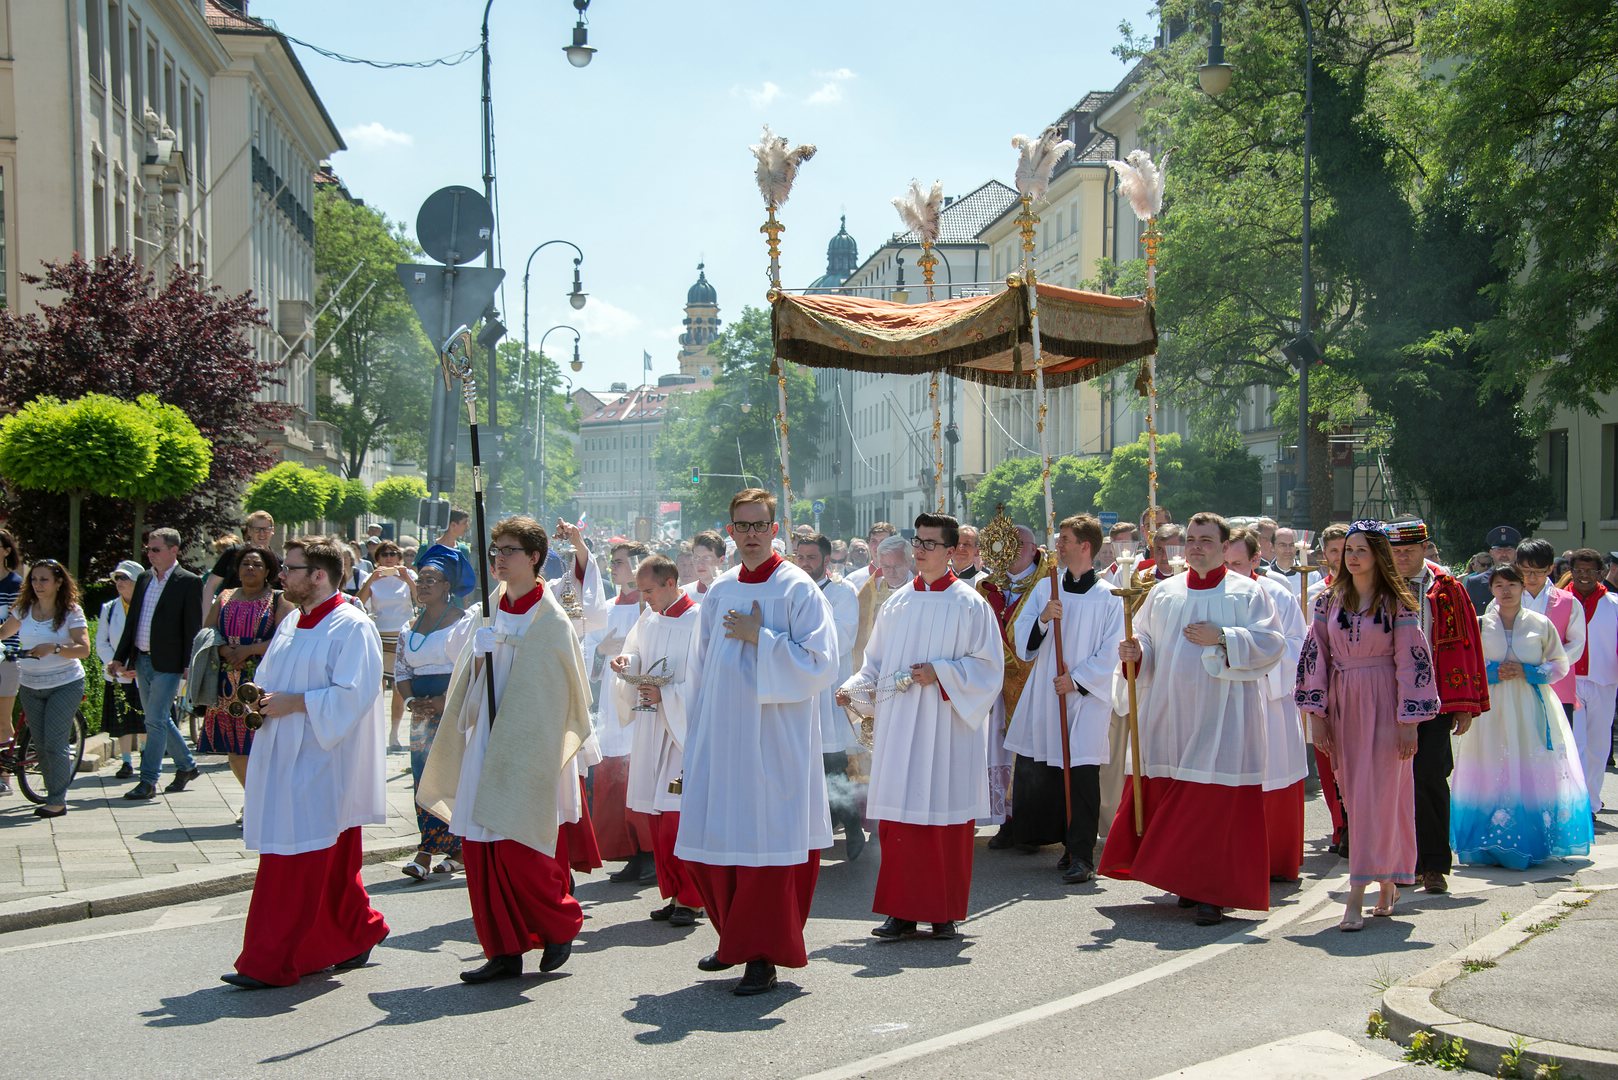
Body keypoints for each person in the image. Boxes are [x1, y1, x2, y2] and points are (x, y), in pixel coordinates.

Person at [676, 488, 839, 996]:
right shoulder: (720, 590)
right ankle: (734, 939)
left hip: (775, 742)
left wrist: (760, 637)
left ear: (775, 529)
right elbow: (699, 669)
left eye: (759, 525)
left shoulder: (797, 589)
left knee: (766, 844)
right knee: (723, 837)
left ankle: (762, 956)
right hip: (723, 737)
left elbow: (821, 663)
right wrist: (695, 737)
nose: (750, 535)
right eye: (741, 526)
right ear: (731, 532)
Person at [417, 517, 593, 983]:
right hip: (486, 739)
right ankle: (502, 949)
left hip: (528, 741)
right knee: (480, 848)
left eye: (510, 550)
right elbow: (467, 677)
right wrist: (479, 654)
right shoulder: (489, 609)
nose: (499, 557)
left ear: (534, 558)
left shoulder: (551, 620)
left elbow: (563, 690)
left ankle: (560, 924)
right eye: (496, 549)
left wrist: (509, 651)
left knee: (519, 845)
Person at [1100, 512, 1286, 927]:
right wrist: (1136, 652)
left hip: (1225, 715)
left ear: (1224, 547)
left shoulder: (1246, 593)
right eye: (1193, 539)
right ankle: (1185, 881)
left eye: (1207, 539)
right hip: (1169, 713)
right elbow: (1146, 637)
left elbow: (1272, 644)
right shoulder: (1164, 593)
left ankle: (1210, 893)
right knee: (1174, 797)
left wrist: (1222, 637)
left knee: (1212, 805)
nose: (1198, 546)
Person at [223, 536, 389, 989]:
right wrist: (257, 698)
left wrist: (298, 703)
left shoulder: (352, 626)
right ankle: (357, 931)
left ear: (318, 575)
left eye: (290, 568)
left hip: (322, 757)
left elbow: (355, 695)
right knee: (321, 858)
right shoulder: (293, 620)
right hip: (280, 750)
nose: (281, 575)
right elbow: (270, 677)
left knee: (296, 858)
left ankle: (270, 960)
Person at [836, 512, 1001, 941]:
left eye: (931, 543)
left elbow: (988, 671)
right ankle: (900, 911)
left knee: (943, 820)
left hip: (947, 730)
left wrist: (942, 673)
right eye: (918, 541)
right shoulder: (898, 602)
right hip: (901, 728)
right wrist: (854, 689)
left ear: (951, 551)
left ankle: (942, 912)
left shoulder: (970, 604)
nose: (922, 549)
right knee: (900, 822)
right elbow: (874, 663)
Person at [1295, 521, 1438, 930]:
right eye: (1348, 549)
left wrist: (1410, 721)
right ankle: (1387, 878)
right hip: (1343, 704)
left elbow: (1413, 660)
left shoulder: (1399, 603)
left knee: (1384, 795)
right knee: (1356, 799)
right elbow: (1314, 657)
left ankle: (1356, 893)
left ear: (1378, 554)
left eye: (1361, 549)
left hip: (1386, 704)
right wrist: (1316, 716)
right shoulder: (1327, 601)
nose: (1352, 556)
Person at [1004, 514, 1125, 883]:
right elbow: (1021, 638)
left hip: (1086, 698)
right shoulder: (1047, 589)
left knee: (1084, 773)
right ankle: (1066, 843)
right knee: (1053, 771)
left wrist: (1076, 681)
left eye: (1066, 539)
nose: (1059, 544)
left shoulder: (1108, 596)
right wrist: (1043, 619)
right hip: (1048, 690)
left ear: (1085, 547)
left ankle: (1083, 855)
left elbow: (1112, 650)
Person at [1451, 564, 1592, 867]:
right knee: (1490, 765)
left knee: (1530, 765)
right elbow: (1466, 663)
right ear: (1491, 590)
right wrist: (1491, 672)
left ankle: (1533, 838)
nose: (1507, 591)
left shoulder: (1540, 624)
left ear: (1522, 588)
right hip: (1491, 706)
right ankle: (1487, 840)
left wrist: (1530, 672)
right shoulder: (1478, 624)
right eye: (1499, 585)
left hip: (1531, 702)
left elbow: (1560, 663)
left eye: (1512, 585)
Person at [1385, 519, 1490, 893]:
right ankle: (1398, 861)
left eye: (1409, 551)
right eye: (1395, 552)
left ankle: (1433, 864)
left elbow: (1467, 646)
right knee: (1389, 782)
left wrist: (1465, 704)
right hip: (1385, 698)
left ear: (1425, 547)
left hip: (1434, 701)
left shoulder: (1448, 589)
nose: (1401, 558)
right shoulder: (1376, 584)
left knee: (1429, 776)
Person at [612, 554, 705, 925]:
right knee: (655, 817)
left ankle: (692, 899)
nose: (643, 597)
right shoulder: (649, 618)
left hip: (682, 732)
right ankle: (675, 894)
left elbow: (705, 678)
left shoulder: (698, 620)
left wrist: (667, 695)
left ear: (670, 583)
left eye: (648, 590)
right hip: (653, 727)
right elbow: (637, 653)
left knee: (674, 818)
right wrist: (626, 664)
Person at [1225, 527, 1308, 882]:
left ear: (1257, 559)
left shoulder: (1277, 592)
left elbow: (1296, 646)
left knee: (1271, 776)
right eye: (1225, 563)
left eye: (1238, 564)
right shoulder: (1218, 593)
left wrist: (1253, 664)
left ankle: (1274, 860)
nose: (1230, 571)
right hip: (1226, 697)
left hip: (1268, 697)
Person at [395, 558, 476, 880]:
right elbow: (402, 671)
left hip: (454, 708)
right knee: (423, 778)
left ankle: (425, 853)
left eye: (432, 580)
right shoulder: (408, 627)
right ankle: (455, 851)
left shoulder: (463, 622)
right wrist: (413, 701)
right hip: (422, 713)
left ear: (447, 587)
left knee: (452, 777)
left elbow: (470, 668)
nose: (423, 585)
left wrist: (445, 701)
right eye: (421, 579)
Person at [110, 528, 203, 801]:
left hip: (169, 663)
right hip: (142, 659)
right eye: (148, 549)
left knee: (154, 720)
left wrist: (189, 664)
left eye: (156, 549)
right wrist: (121, 656)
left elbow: (192, 627)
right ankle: (187, 765)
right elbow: (133, 621)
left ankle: (148, 780)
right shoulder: (144, 579)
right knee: (158, 719)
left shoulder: (188, 582)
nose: (150, 554)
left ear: (174, 550)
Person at [198, 547, 295, 798]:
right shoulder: (225, 597)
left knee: (261, 744)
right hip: (227, 684)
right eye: (245, 564)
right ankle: (252, 799)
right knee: (235, 747)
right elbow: (208, 631)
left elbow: (284, 639)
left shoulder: (278, 599)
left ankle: (267, 798)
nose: (250, 569)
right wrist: (222, 650)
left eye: (257, 565)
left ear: (268, 572)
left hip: (261, 681)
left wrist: (248, 649)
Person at [0, 559, 90, 817]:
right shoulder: (23, 609)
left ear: (59, 582)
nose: (37, 584)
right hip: (29, 683)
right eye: (34, 579)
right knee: (40, 744)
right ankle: (52, 793)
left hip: (65, 683)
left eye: (44, 579)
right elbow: (4, 632)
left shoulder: (71, 611)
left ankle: (57, 800)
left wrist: (56, 648)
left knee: (54, 742)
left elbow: (84, 650)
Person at [795, 532, 864, 860]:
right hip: (797, 687)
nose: (805, 563)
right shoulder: (792, 589)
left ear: (826, 559)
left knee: (833, 765)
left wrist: (798, 638)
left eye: (811, 557)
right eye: (800, 556)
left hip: (828, 690)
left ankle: (852, 829)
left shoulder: (841, 591)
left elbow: (841, 638)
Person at [593, 542, 657, 884]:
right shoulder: (604, 608)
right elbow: (590, 659)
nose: (612, 567)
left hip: (639, 703)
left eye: (619, 563)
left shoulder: (651, 610)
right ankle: (630, 851)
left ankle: (650, 852)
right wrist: (601, 653)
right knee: (614, 782)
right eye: (612, 563)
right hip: (609, 704)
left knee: (639, 777)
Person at [978, 525, 1042, 844]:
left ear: (1034, 548)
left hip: (1032, 680)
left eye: (1019, 545)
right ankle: (1005, 820)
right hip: (997, 684)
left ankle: (1030, 824)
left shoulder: (1047, 584)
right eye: (1005, 544)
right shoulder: (987, 587)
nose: (1011, 550)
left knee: (1028, 752)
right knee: (998, 751)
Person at [1308, 521, 1351, 852]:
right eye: (1334, 550)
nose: (1341, 556)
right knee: (1327, 758)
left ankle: (1355, 824)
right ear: (1324, 554)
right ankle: (1339, 824)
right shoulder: (1314, 593)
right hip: (1326, 683)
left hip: (1360, 684)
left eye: (1346, 549)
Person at [1567, 549, 1617, 818]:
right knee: (1576, 743)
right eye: (1579, 571)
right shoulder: (1561, 601)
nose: (1584, 576)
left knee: (1598, 745)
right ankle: (1576, 803)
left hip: (1604, 681)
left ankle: (1592, 802)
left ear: (1600, 573)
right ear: (1571, 572)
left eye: (1590, 571)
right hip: (1569, 681)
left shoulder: (1615, 604)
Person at [1513, 539, 1585, 724]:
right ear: (1516, 566)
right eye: (1526, 570)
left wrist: (1548, 666)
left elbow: (1577, 643)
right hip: (1514, 682)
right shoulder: (1502, 600)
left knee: (1558, 744)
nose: (1531, 577)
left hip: (1557, 683)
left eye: (1538, 571)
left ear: (1550, 568)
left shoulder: (1568, 601)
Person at [357, 541, 416, 751]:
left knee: (399, 688)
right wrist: (372, 579)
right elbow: (358, 603)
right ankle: (376, 733)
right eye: (384, 554)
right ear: (377, 559)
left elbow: (421, 599)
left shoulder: (408, 576)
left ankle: (394, 734)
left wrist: (407, 579)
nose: (389, 558)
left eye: (393, 554)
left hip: (401, 634)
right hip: (378, 634)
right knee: (377, 688)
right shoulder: (371, 578)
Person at [96, 561, 147, 780]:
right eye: (117, 578)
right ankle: (126, 761)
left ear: (137, 582)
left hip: (142, 673)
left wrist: (137, 667)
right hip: (118, 674)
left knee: (145, 718)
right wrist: (116, 664)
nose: (119, 582)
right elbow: (102, 642)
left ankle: (146, 755)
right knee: (122, 720)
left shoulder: (147, 606)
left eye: (124, 578)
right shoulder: (109, 608)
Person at [853, 535, 913, 671]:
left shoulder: (922, 591)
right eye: (886, 566)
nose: (891, 572)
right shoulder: (870, 591)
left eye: (897, 566)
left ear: (909, 562)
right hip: (877, 662)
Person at [201, 511, 277, 618]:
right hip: (228, 617)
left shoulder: (277, 561)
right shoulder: (233, 553)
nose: (262, 533)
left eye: (266, 529)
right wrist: (206, 619)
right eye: (257, 529)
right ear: (249, 531)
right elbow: (211, 585)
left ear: (272, 530)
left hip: (262, 624)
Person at [1463, 525, 1522, 614]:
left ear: (1516, 552)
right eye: (1499, 550)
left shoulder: (1524, 580)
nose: (1504, 554)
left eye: (1508, 550)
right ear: (1491, 553)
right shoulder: (1475, 583)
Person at [0, 530, 19, 796]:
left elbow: (15, 625)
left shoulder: (17, 584)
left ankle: (5, 776)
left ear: (6, 550)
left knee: (3, 720)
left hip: (7, 658)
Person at [844, 522, 898, 594]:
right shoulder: (852, 581)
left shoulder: (908, 577)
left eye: (883, 541)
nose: (878, 546)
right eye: (874, 541)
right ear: (868, 544)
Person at [682, 531, 726, 602]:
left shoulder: (732, 592)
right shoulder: (684, 595)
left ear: (721, 560)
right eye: (696, 558)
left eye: (706, 558)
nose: (700, 564)